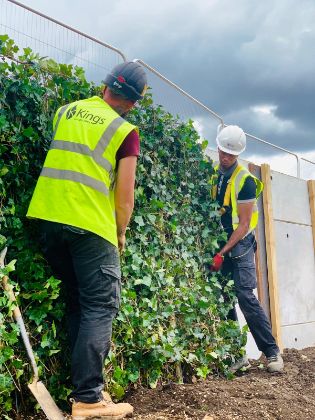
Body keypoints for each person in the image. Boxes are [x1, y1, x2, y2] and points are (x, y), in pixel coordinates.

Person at [27, 61, 147, 419]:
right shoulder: (125, 130)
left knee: (81, 304)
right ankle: (89, 399)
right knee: (101, 306)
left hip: (47, 219)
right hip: (90, 227)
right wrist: (120, 234)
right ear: (134, 101)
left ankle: (86, 390)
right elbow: (125, 198)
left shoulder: (65, 112)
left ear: (105, 85)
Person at [209, 124, 284, 373]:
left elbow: (242, 226)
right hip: (220, 243)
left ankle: (272, 353)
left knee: (245, 296)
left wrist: (222, 253)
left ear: (238, 154)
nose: (225, 157)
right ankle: (235, 355)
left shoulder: (246, 182)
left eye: (231, 154)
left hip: (239, 246)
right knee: (222, 299)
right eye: (222, 152)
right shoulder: (215, 174)